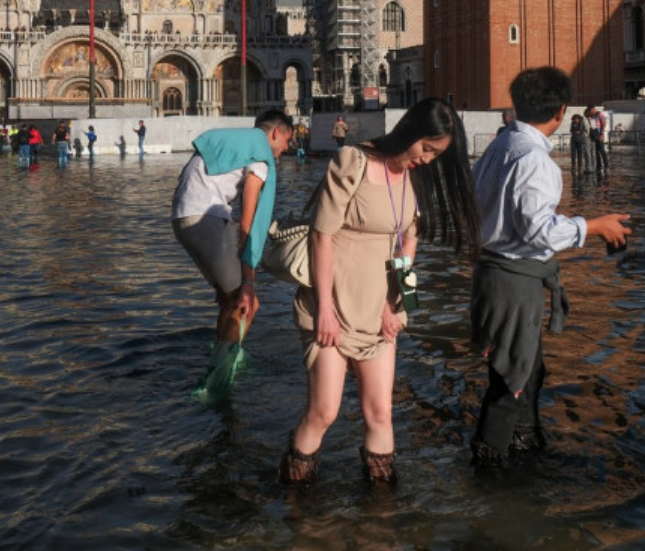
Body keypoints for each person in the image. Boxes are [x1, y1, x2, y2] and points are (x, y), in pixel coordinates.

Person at [280, 98, 481, 486]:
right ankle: (296, 505)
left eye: (436, 155)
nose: (427, 159)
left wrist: (401, 305)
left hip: (379, 309)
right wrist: (324, 310)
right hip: (332, 304)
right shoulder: (353, 162)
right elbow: (322, 236)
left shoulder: (413, 176)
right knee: (324, 411)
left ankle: (382, 517)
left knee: (380, 413)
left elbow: (408, 243)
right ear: (410, 132)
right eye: (426, 148)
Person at [469, 67, 630, 468]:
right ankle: (490, 465)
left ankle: (523, 442)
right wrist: (594, 226)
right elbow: (538, 230)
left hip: (495, 273)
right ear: (561, 111)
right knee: (512, 378)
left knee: (526, 369)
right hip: (514, 279)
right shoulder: (535, 158)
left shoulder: (499, 145)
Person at [172, 110, 295, 391]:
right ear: (275, 133)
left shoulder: (235, 142)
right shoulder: (260, 156)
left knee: (230, 301)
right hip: (206, 219)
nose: (287, 148)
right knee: (247, 304)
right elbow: (248, 221)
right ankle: (217, 379)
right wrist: (250, 280)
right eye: (288, 139)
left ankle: (225, 353)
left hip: (182, 218)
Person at [586, 106, 609, 174]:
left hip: (599, 133)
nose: (590, 112)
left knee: (602, 150)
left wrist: (602, 134)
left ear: (593, 109)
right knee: (596, 151)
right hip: (593, 134)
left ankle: (606, 166)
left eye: (591, 111)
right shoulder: (591, 116)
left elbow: (603, 124)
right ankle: (599, 166)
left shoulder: (600, 114)